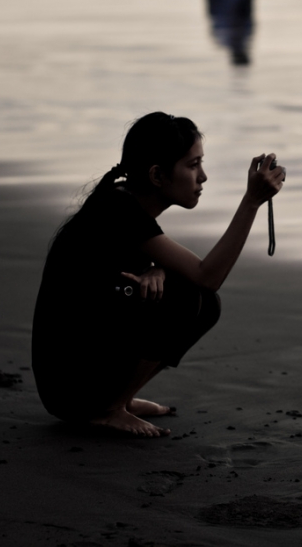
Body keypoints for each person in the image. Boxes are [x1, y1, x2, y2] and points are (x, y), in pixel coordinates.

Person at [31, 112, 286, 437]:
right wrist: (251, 201)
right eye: (193, 166)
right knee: (187, 297)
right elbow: (207, 275)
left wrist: (158, 268)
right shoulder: (117, 210)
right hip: (68, 389)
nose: (203, 177)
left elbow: (131, 264)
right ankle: (109, 409)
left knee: (202, 303)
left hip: (73, 378)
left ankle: (118, 399)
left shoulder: (122, 202)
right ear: (156, 175)